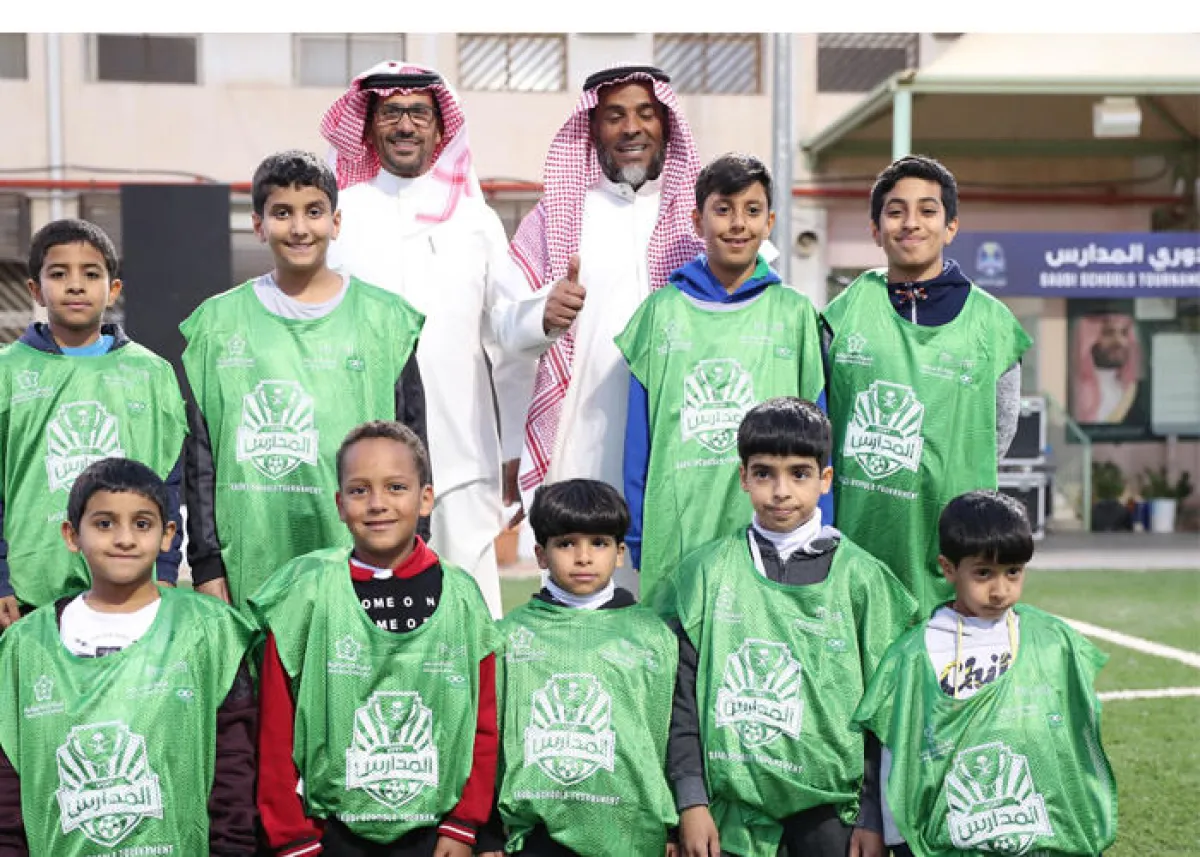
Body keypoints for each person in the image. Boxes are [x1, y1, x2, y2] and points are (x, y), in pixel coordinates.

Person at [323, 61, 543, 618]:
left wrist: (548, 315)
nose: (405, 125)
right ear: (367, 125)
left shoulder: (475, 221)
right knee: (363, 616)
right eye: (391, 113)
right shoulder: (339, 218)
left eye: (419, 113)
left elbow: (508, 332)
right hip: (359, 460)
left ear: (441, 127)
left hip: (459, 457)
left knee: (468, 613)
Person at [661, 398, 918, 857]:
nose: (781, 491)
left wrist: (873, 815)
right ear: (743, 476)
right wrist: (691, 800)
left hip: (833, 813)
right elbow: (681, 700)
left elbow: (890, 715)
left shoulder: (863, 580)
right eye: (764, 473)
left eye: (799, 474)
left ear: (825, 479)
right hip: (729, 812)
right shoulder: (706, 573)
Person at [180, 150, 428, 610]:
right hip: (250, 561)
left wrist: (416, 545)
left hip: (361, 557)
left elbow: (413, 443)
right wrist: (207, 563)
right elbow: (200, 455)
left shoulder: (384, 320)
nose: (298, 228)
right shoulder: (218, 324)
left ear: (335, 222)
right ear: (258, 225)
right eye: (282, 213)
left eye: (313, 212)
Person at [502, 64, 707, 593]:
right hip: (584, 442)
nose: (631, 128)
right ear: (593, 129)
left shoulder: (706, 219)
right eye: (614, 116)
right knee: (584, 598)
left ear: (666, 123)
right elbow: (502, 323)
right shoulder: (556, 218)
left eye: (645, 113)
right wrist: (542, 314)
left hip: (684, 439)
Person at [251, 421, 498, 857]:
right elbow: (276, 724)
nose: (378, 503)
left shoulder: (461, 595)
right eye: (359, 490)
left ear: (425, 498)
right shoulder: (307, 593)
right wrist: (293, 837)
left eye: (396, 487)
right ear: (339, 504)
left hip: (435, 833)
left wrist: (463, 824)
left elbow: (484, 721)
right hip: (330, 834)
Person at [0, 457, 257, 855]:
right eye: (104, 524)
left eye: (142, 523)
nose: (124, 539)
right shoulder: (25, 645)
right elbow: (8, 781)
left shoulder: (208, 630)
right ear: (72, 534)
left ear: (168, 534)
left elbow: (234, 765)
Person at [820, 155, 1032, 616]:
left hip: (954, 555)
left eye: (928, 211)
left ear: (951, 226)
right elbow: (822, 422)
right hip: (857, 551)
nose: (911, 223)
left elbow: (999, 432)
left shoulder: (992, 324)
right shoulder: (843, 314)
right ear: (875, 230)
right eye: (896, 212)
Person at [853, 490, 1118, 857]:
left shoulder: (1051, 640)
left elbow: (1075, 739)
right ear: (948, 569)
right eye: (983, 573)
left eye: (1013, 572)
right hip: (951, 836)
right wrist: (893, 835)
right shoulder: (916, 653)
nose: (1000, 591)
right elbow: (894, 747)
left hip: (1033, 830)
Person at [616, 153, 828, 604]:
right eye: (723, 209)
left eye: (752, 210)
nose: (737, 224)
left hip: (777, 534)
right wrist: (637, 533)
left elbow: (819, 436)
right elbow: (639, 437)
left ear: (769, 222)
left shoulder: (795, 314)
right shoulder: (660, 313)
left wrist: (820, 527)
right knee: (679, 647)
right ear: (698, 220)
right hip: (677, 535)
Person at [0, 219, 186, 629]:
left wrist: (166, 567)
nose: (75, 285)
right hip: (31, 592)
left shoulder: (152, 372)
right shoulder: (7, 371)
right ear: (35, 290)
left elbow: (168, 480)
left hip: (132, 585)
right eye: (58, 274)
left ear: (113, 288)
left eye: (90, 273)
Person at [485, 479, 677, 856]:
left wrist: (675, 824)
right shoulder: (509, 637)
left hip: (633, 835)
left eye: (599, 543)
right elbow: (486, 739)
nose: (584, 557)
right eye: (566, 544)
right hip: (536, 838)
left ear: (620, 553)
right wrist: (488, 831)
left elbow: (672, 733)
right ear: (541, 555)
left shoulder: (653, 636)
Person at [1071, 309, 1147, 425]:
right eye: (1108, 333)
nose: (1119, 341)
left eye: (1124, 333)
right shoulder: (1072, 387)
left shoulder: (1131, 388)